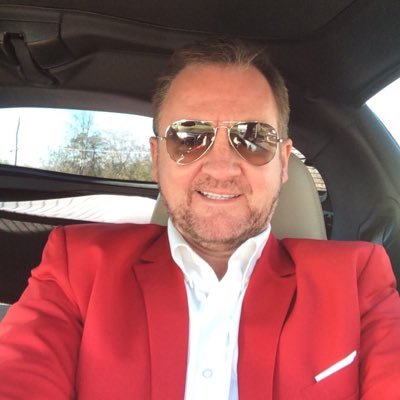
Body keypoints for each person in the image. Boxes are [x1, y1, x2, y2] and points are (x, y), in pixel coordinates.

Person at [0, 38, 400, 400]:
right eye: (189, 137)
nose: (222, 168)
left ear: (282, 162)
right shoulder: (78, 268)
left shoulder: (356, 280)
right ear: (157, 159)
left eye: (253, 138)